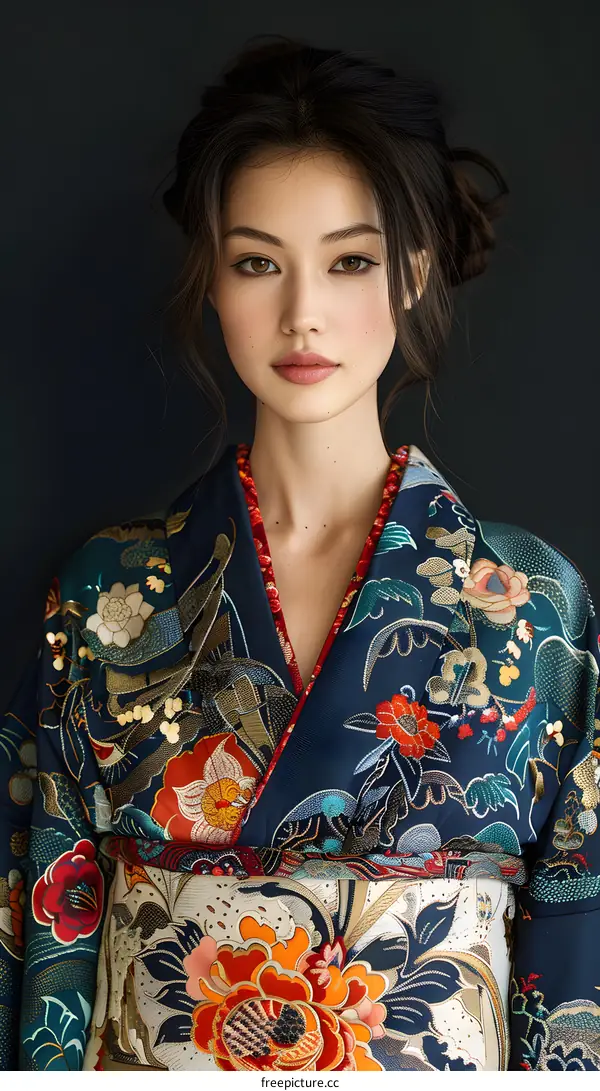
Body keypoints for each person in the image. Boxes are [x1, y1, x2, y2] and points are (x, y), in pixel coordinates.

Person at [1, 34, 598, 1073]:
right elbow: (41, 932)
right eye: (257, 262)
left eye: (350, 260)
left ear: (414, 271)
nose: (302, 312)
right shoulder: (108, 597)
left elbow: (579, 953)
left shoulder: (534, 604)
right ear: (214, 281)